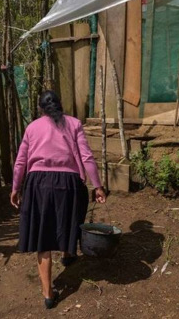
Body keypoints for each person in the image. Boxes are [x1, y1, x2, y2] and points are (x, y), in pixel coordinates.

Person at [10, 90, 106, 309]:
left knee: (44, 235)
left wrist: (16, 188)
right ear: (60, 106)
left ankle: (48, 293)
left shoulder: (32, 127)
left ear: (40, 108)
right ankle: (67, 254)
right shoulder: (74, 123)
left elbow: (20, 162)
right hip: (68, 182)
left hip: (38, 183)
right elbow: (86, 156)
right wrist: (98, 186)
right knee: (68, 217)